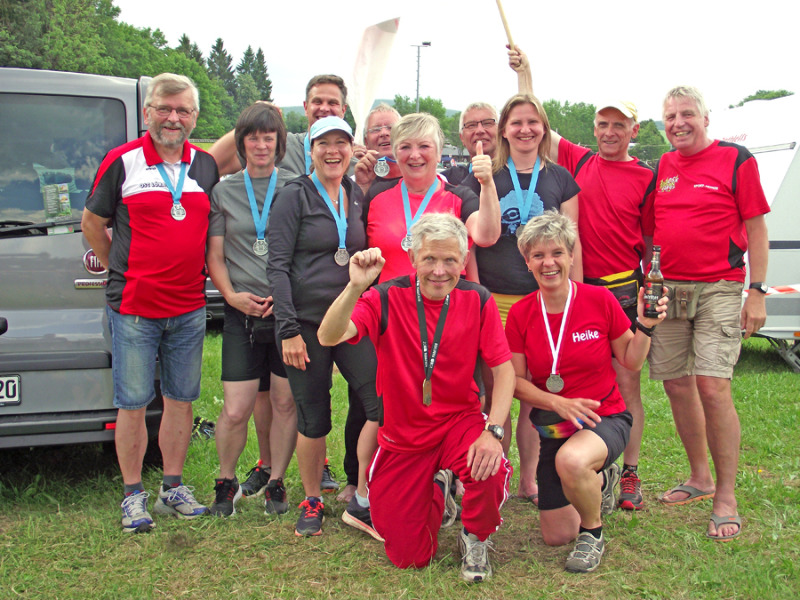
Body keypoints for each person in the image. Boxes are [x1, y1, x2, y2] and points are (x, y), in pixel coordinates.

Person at [317, 213, 514, 583]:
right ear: (412, 258)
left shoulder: (478, 299)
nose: (439, 271)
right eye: (429, 259)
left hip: (460, 422)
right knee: (410, 557)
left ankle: (475, 536)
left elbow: (504, 371)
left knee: (489, 468)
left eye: (450, 260)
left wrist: (494, 432)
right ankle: (439, 486)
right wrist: (355, 287)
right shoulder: (386, 296)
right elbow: (329, 336)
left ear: (464, 259)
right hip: (404, 433)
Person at [509, 46, 657, 511]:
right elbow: (532, 123)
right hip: (571, 280)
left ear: (634, 131)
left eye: (620, 125)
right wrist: (526, 73)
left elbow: (652, 238)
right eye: (604, 124)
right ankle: (567, 463)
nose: (610, 132)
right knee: (568, 376)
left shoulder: (645, 176)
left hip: (620, 285)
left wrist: (650, 290)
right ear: (593, 129)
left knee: (624, 382)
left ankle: (627, 470)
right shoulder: (578, 160)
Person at [81, 73, 219, 532]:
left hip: (189, 306)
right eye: (164, 108)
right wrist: (119, 269)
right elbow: (92, 221)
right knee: (134, 402)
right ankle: (133, 495)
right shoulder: (122, 162)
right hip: (135, 307)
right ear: (147, 112)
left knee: (181, 399)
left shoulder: (203, 166)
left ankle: (172, 489)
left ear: (194, 117)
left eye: (183, 110)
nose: (173, 118)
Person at [505, 211, 666, 572]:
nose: (549, 263)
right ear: (527, 261)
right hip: (556, 428)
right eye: (538, 255)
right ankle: (600, 480)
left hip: (603, 417)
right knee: (556, 534)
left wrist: (646, 326)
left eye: (557, 253)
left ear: (572, 256)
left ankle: (592, 534)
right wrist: (555, 402)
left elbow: (631, 359)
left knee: (572, 462)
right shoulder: (520, 314)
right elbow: (515, 382)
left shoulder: (599, 300)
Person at [644, 85, 769, 541]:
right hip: (669, 287)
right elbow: (653, 230)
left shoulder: (736, 160)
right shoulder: (662, 166)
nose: (679, 123)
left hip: (720, 284)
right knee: (677, 384)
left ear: (706, 117)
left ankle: (726, 496)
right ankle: (700, 478)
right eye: (671, 115)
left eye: (687, 114)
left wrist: (756, 291)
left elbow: (756, 227)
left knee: (713, 386)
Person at [463, 92, 581, 504]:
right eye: (516, 123)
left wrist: (575, 299)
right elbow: (476, 244)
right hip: (495, 300)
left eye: (533, 122)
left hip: (542, 302)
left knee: (532, 394)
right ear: (503, 131)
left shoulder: (561, 178)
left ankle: (529, 478)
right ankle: (497, 471)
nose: (525, 129)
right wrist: (477, 296)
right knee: (496, 393)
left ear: (544, 129)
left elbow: (572, 243)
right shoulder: (482, 176)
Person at [266, 116, 380, 538]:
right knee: (313, 416)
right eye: (324, 144)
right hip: (307, 326)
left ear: (352, 148)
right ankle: (312, 498)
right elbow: (276, 266)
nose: (333, 152)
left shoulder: (352, 194)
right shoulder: (293, 195)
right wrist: (288, 330)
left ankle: (367, 492)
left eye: (341, 143)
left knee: (378, 402)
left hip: (349, 322)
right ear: (310, 150)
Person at [205, 103, 296, 517]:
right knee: (237, 407)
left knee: (283, 403)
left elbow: (304, 253)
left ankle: (276, 481)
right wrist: (230, 296)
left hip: (285, 314)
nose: (260, 144)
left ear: (279, 143)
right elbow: (216, 256)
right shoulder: (224, 190)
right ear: (241, 143)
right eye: (253, 137)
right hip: (242, 312)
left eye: (268, 137)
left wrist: (287, 294)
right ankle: (226, 483)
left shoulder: (296, 187)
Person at [362, 112, 501, 284]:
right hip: (389, 306)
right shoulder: (376, 196)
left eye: (424, 146)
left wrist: (487, 183)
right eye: (405, 147)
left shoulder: (459, 197)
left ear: (439, 152)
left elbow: (487, 236)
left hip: (444, 307)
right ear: (395, 154)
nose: (414, 155)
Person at [211, 74, 361, 180]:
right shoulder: (280, 145)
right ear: (305, 107)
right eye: (317, 101)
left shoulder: (352, 163)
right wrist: (249, 123)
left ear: (343, 110)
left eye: (332, 103)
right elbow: (212, 165)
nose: (324, 108)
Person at [440, 102, 499, 186]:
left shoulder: (519, 173)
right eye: (471, 125)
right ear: (462, 138)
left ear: (501, 131)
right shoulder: (446, 181)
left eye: (487, 123)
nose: (480, 130)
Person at [354, 103, 402, 194]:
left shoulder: (419, 177)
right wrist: (361, 187)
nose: (384, 133)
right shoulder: (355, 181)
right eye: (376, 129)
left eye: (391, 128)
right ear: (366, 142)